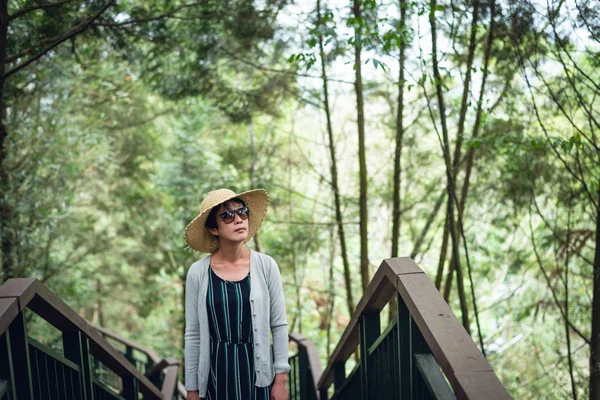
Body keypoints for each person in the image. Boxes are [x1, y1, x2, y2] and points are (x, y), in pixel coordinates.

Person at [183, 188, 290, 400]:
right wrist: (192, 389)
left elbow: (278, 325)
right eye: (227, 215)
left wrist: (280, 380)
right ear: (214, 228)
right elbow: (193, 333)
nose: (238, 219)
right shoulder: (198, 273)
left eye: (242, 212)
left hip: (258, 375)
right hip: (215, 375)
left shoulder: (266, 266)